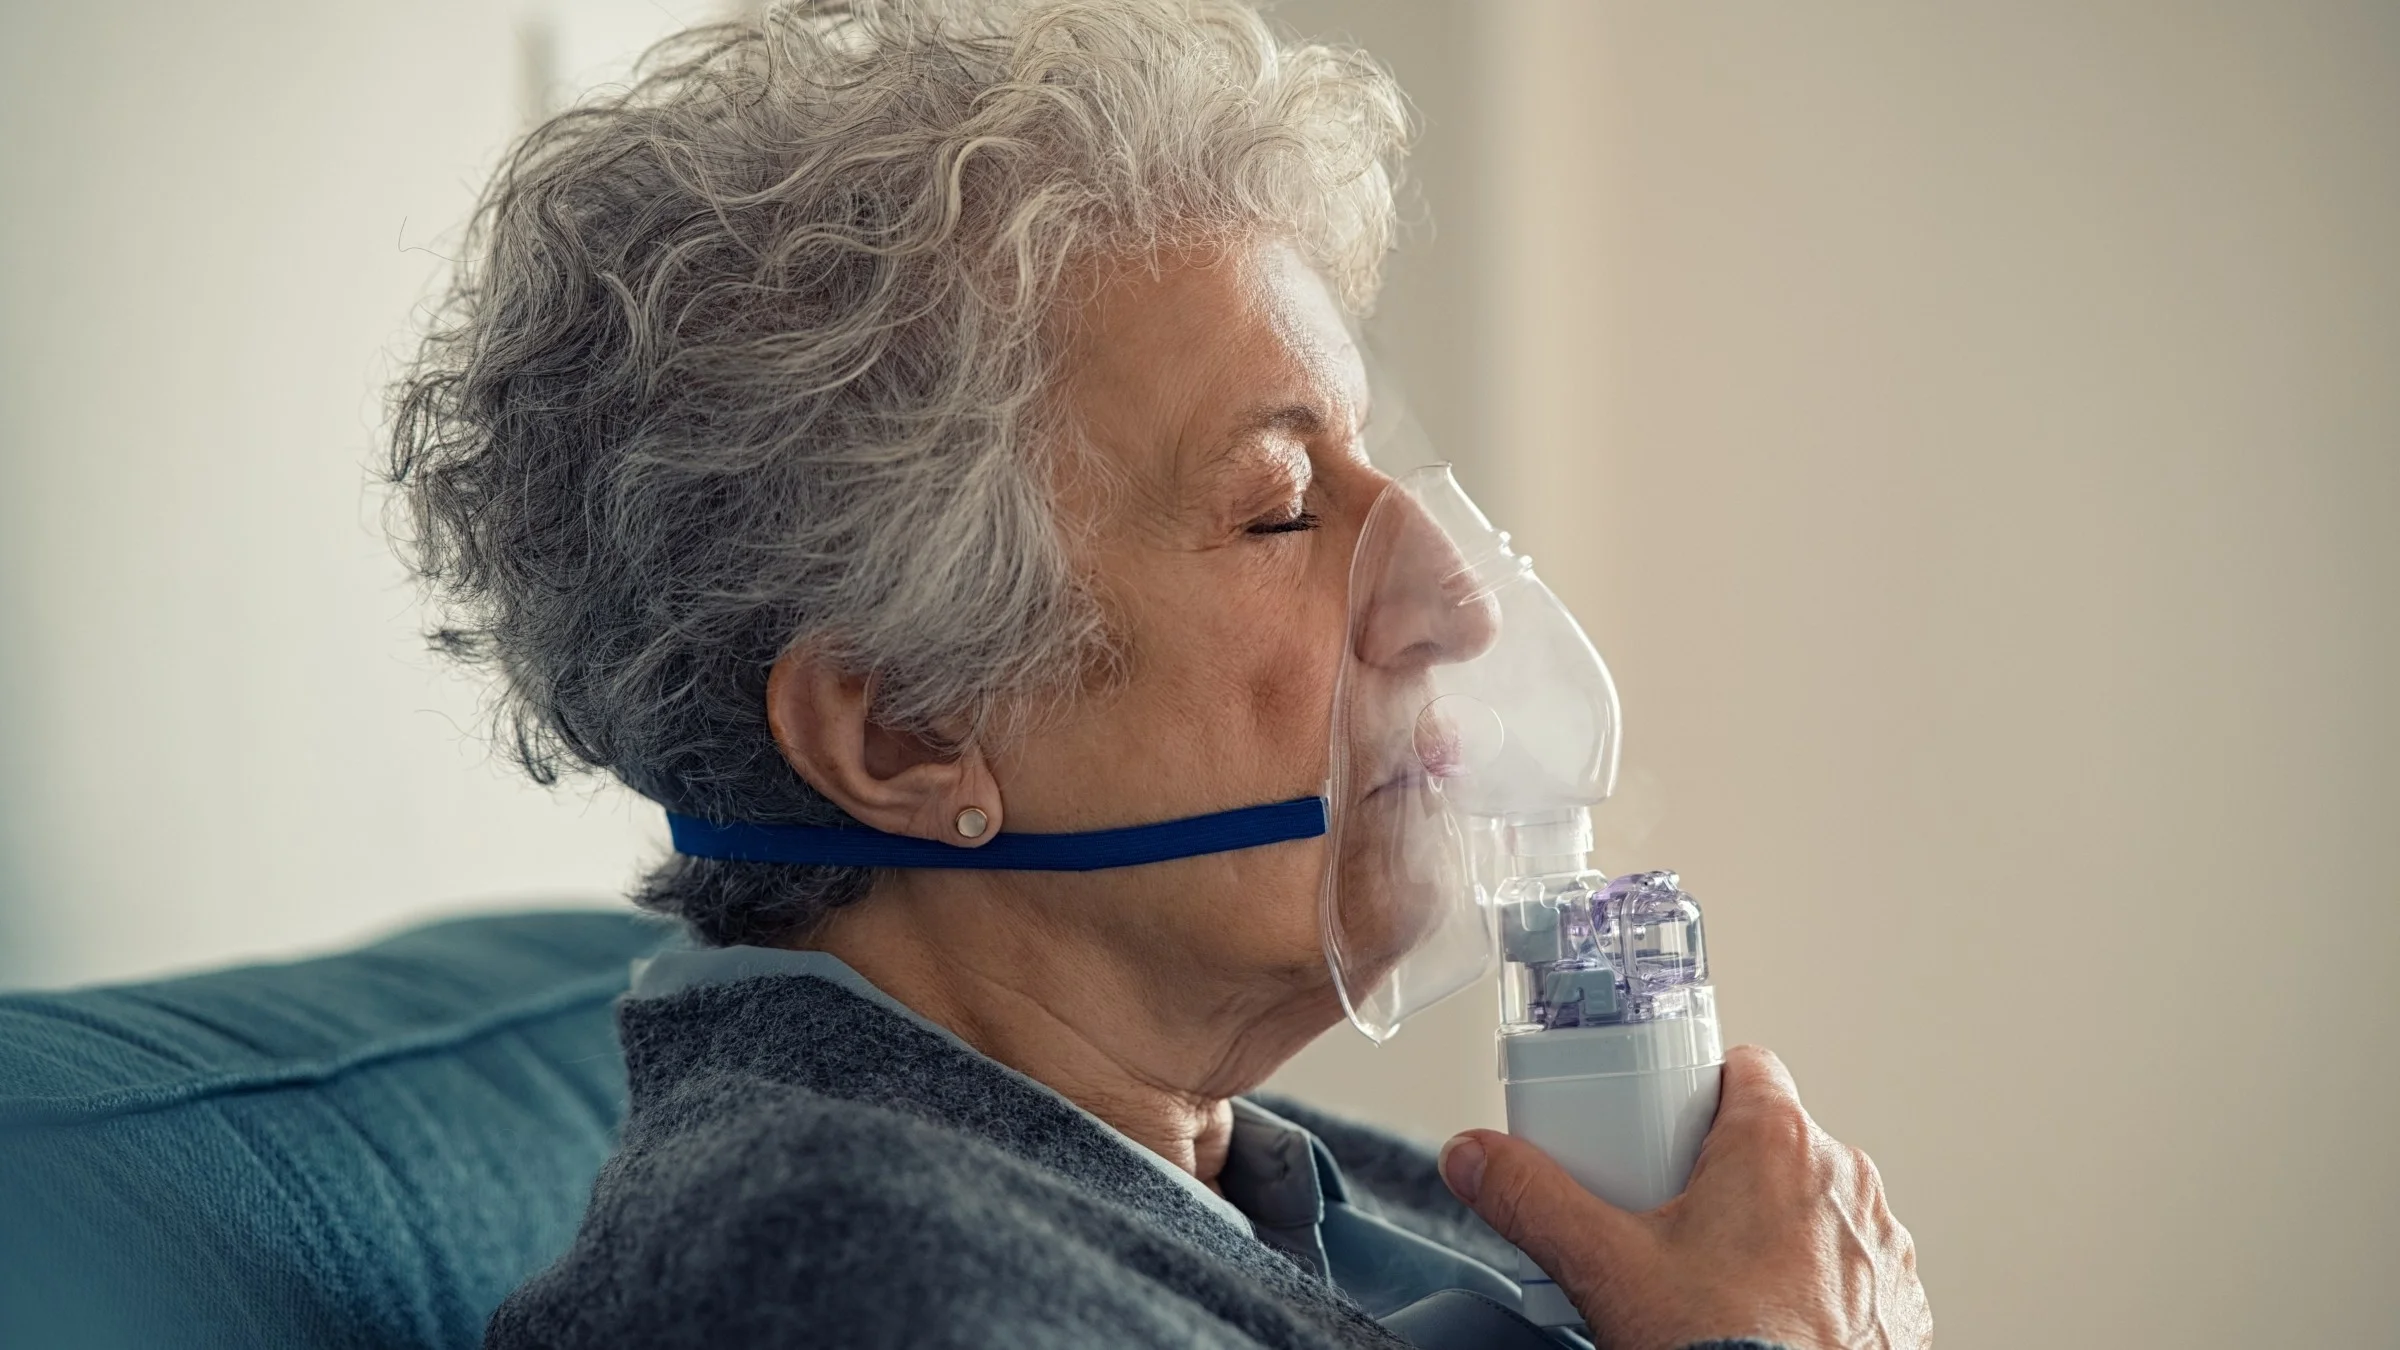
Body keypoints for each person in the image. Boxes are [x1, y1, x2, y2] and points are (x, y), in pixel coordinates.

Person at [387, 2, 1929, 1346]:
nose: (1455, 600)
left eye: (1371, 468)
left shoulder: (1276, 1186)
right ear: (907, 726)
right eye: (1279, 509)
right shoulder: (838, 1272)